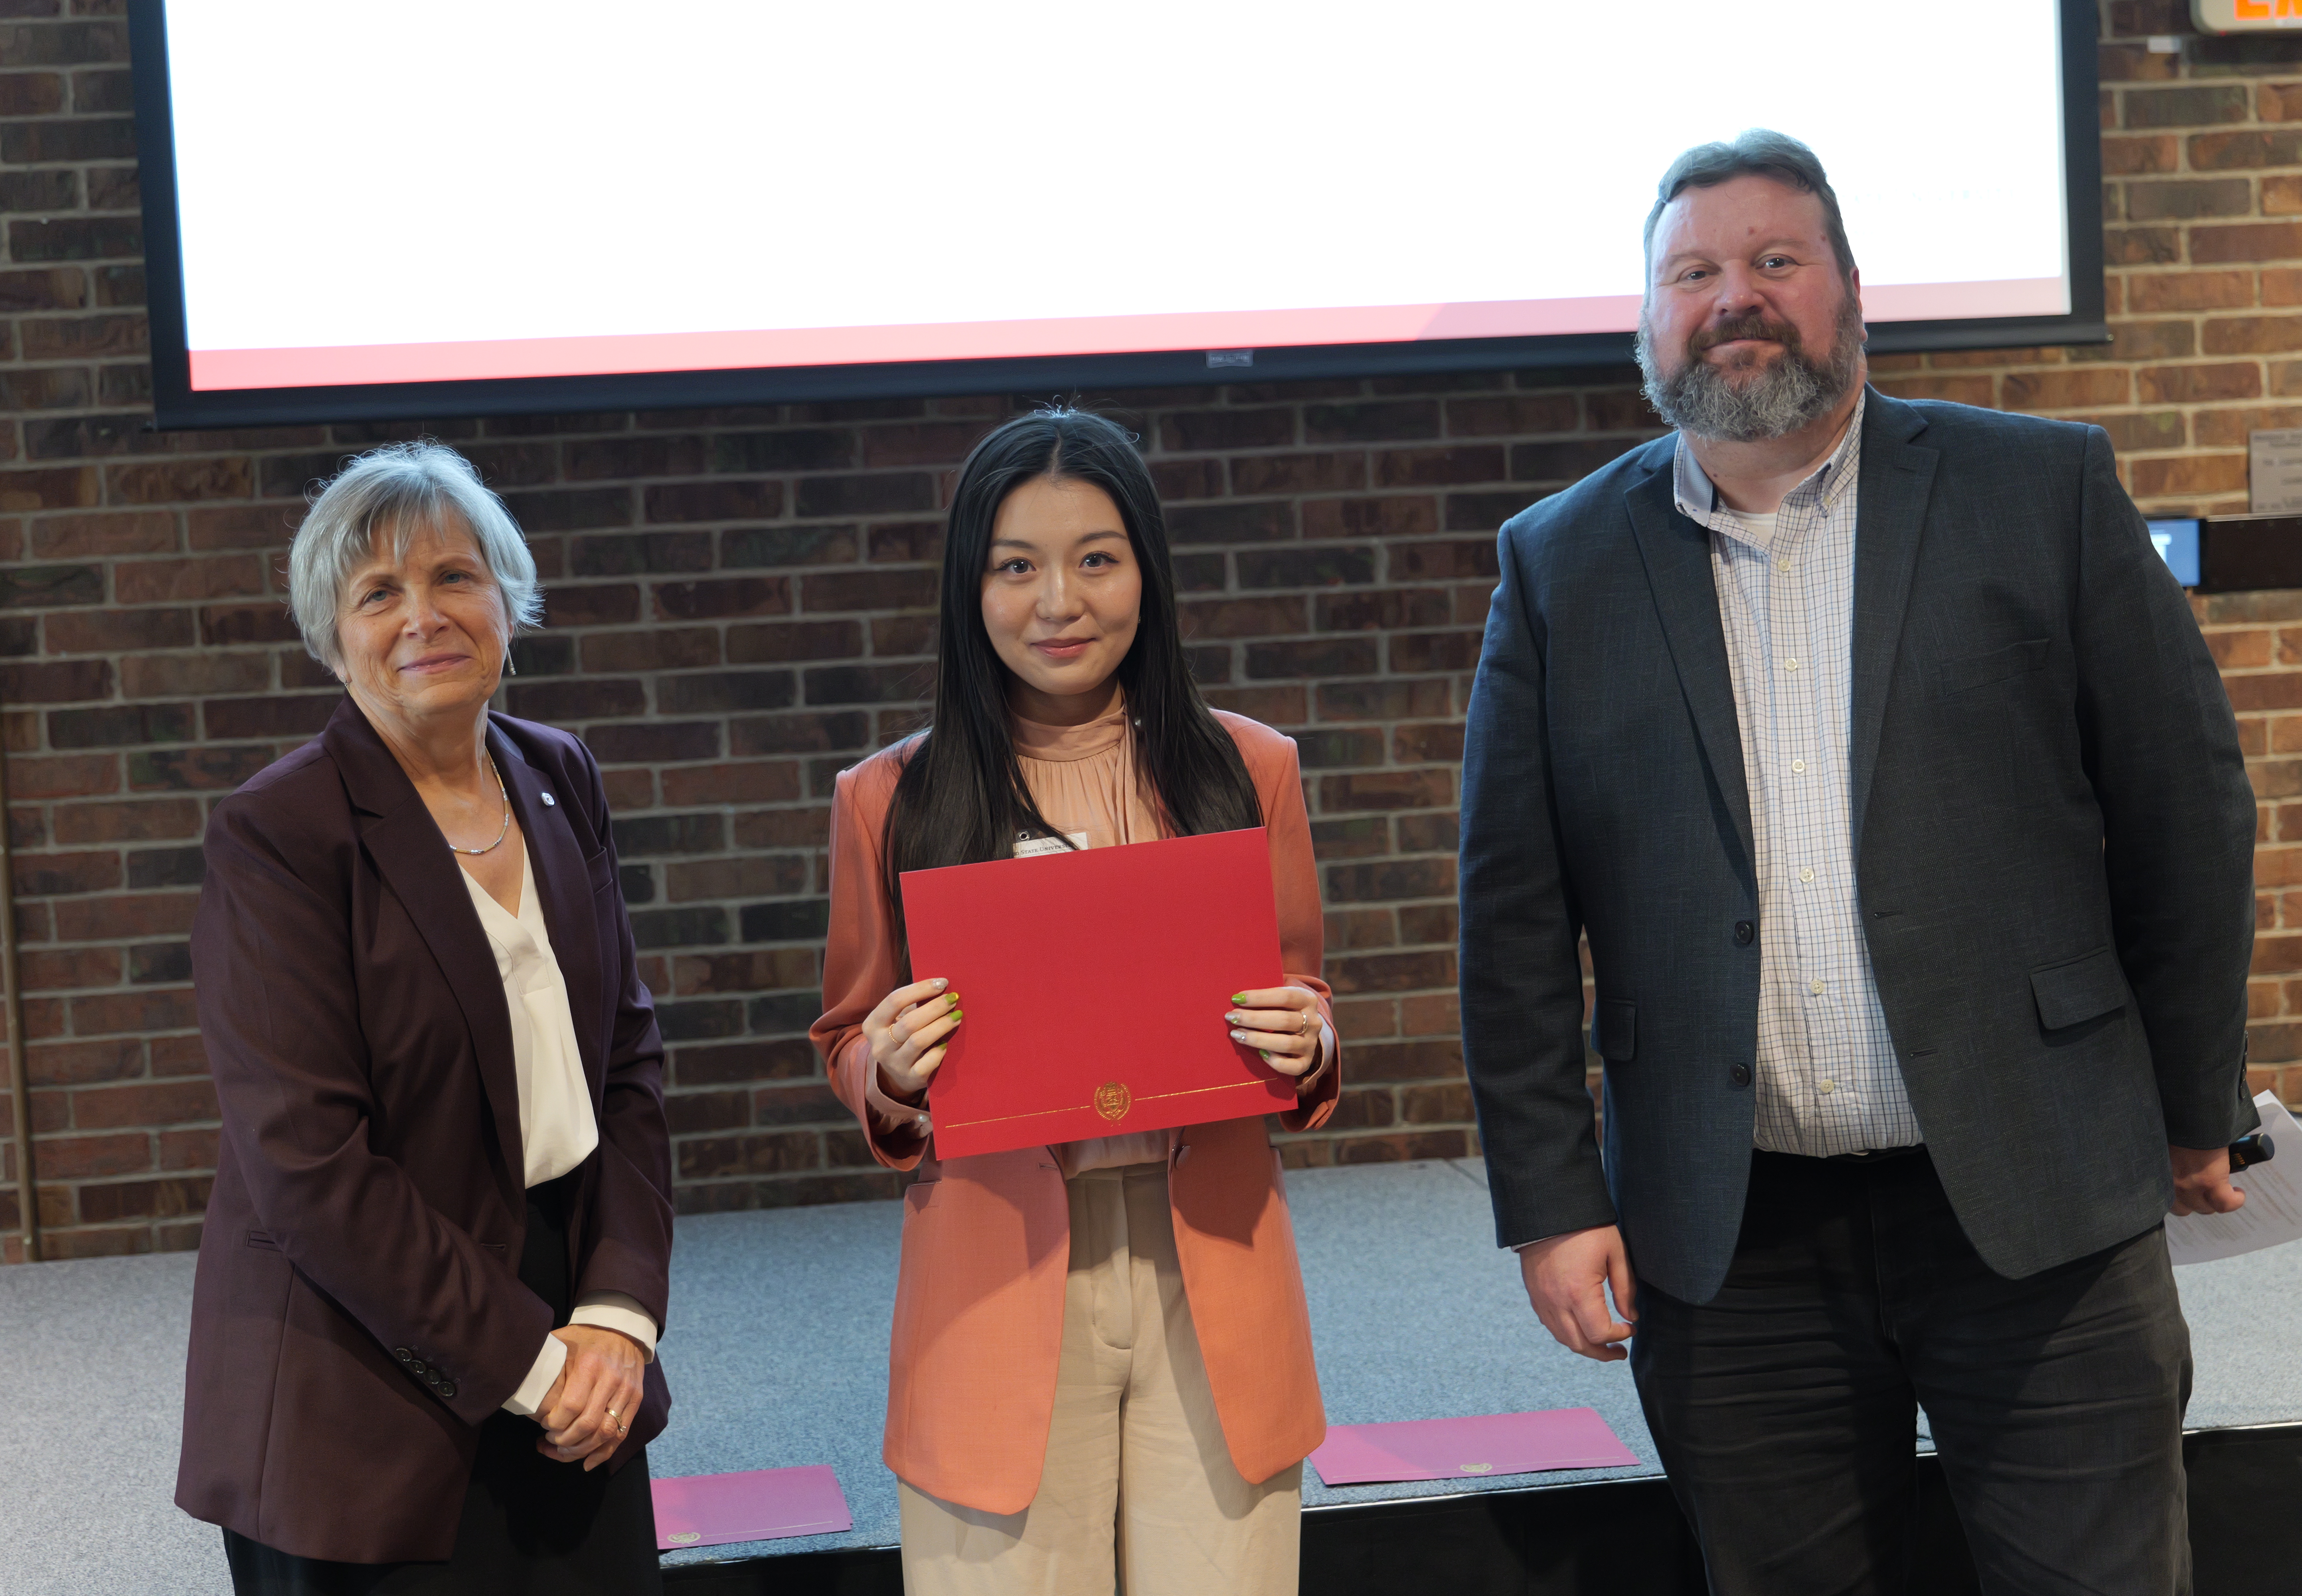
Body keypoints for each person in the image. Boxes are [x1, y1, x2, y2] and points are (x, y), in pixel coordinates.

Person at [1457, 130, 2259, 1594]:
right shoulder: (1559, 564)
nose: (1735, 297)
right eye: (1693, 272)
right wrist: (1556, 1202)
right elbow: (1510, 916)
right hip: (1729, 1240)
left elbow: (2186, 813)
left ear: (1851, 291)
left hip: (2043, 1202)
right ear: (1648, 321)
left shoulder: (2044, 491)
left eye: (1776, 261)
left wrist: (2198, 1102)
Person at [812, 408, 1339, 1595]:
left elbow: (1303, 981)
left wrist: (1308, 1038)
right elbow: (846, 1030)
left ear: (1147, 572)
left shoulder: (1249, 769)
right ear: (971, 587)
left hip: (1208, 1261)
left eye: (1097, 558)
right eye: (1017, 566)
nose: (1060, 600)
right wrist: (883, 1068)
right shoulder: (888, 798)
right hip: (993, 1282)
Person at [177, 441, 676, 1594]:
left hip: (573, 1342)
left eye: (456, 577)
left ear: (506, 599)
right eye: (378, 592)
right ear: (332, 634)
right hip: (361, 1376)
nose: (425, 616)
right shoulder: (282, 832)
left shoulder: (560, 775)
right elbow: (309, 1168)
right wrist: (532, 1364)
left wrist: (617, 1316)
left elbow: (629, 1069)